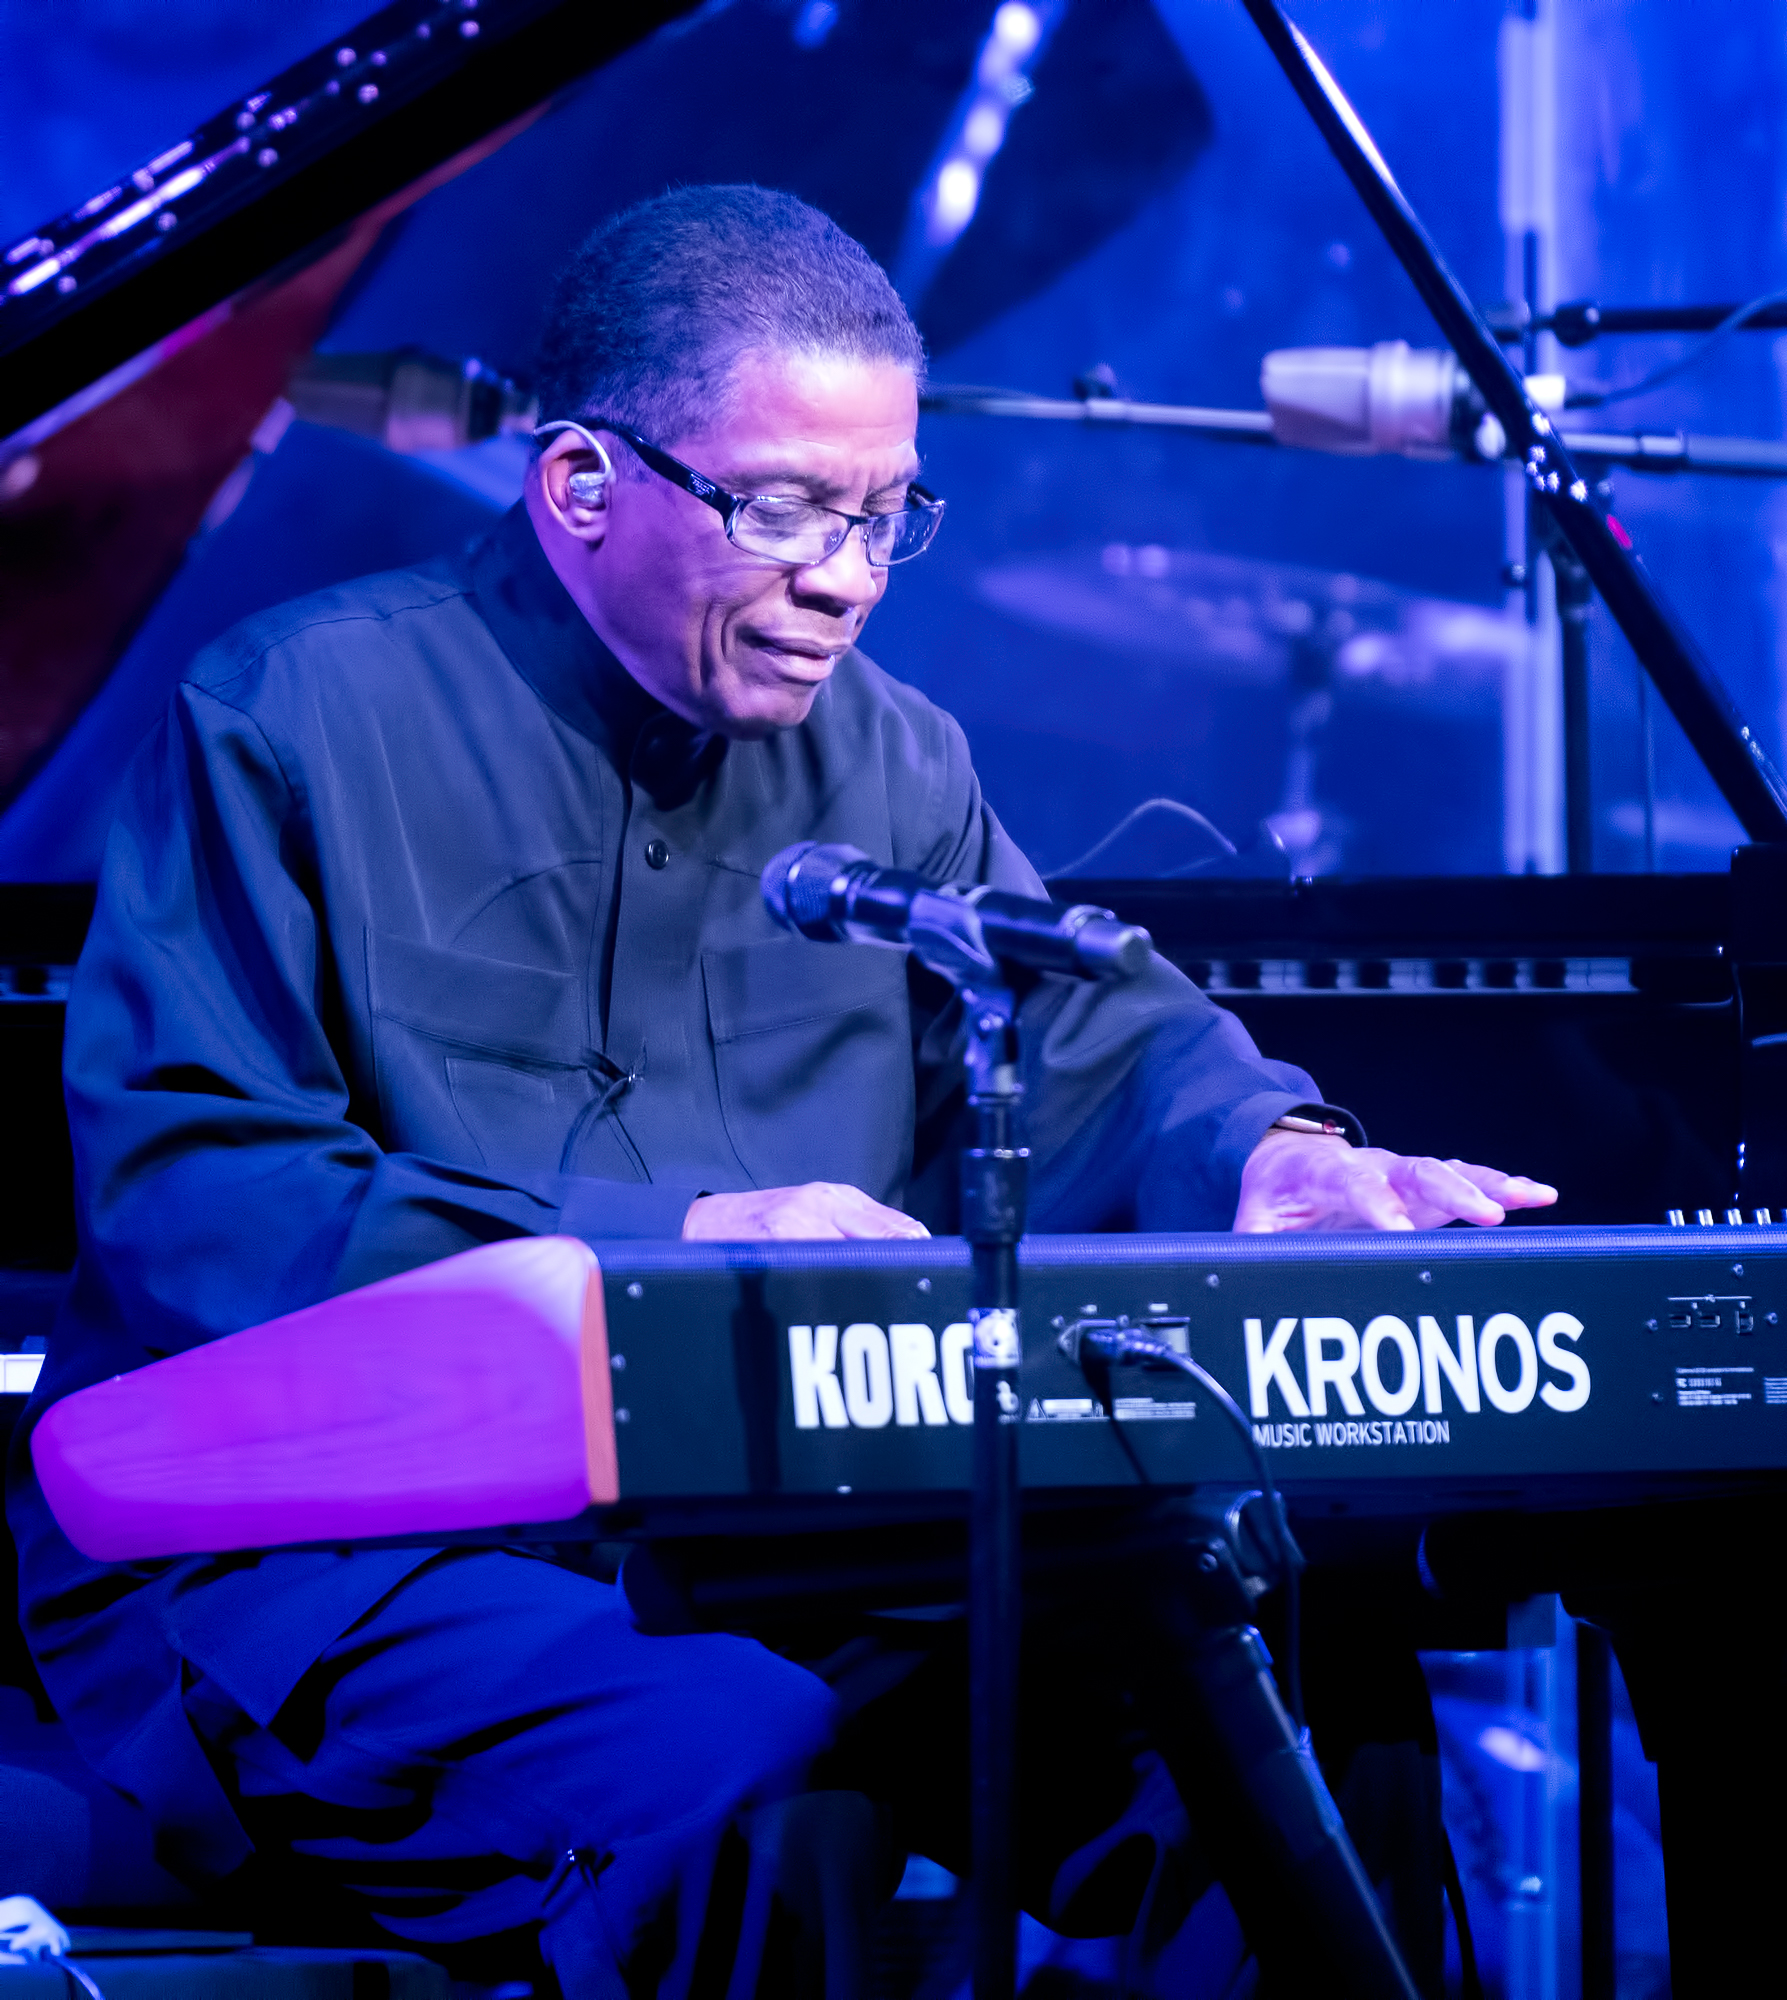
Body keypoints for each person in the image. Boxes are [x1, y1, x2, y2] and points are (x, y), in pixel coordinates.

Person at [6, 185, 1553, 1995]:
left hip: (778, 1537)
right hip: (334, 1550)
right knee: (729, 1764)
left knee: (1256, 1704)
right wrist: (669, 1252)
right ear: (583, 484)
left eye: (886, 513)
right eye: (783, 508)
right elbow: (205, 1199)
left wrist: (1270, 1157)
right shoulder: (291, 712)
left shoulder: (892, 756)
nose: (846, 574)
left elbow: (1083, 1035)